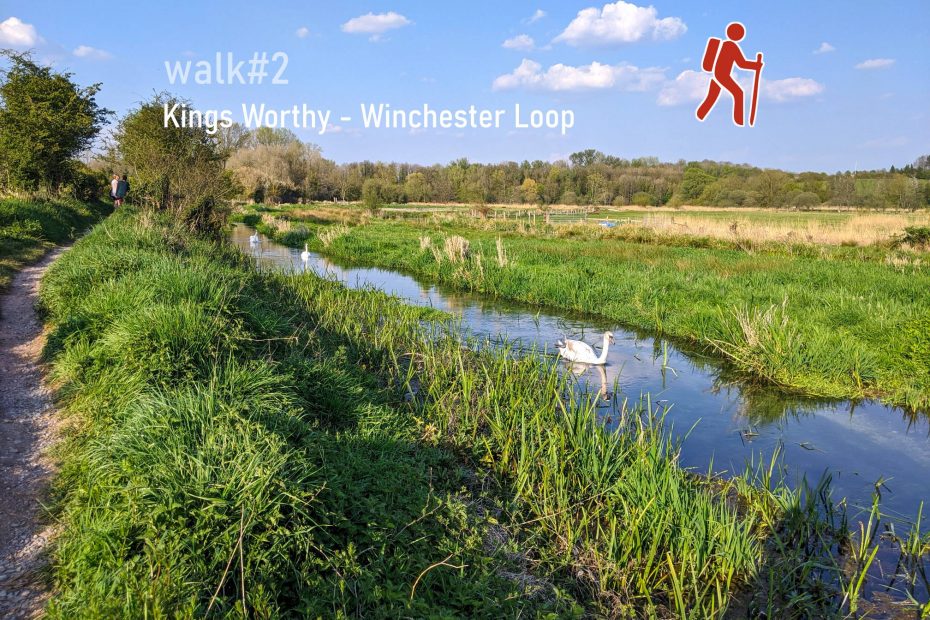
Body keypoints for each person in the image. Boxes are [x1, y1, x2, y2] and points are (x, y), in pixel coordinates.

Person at [696, 22, 763, 126]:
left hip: (717, 74)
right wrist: (756, 66)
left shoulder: (725, 45)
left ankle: (700, 115)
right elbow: (741, 64)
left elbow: (741, 64)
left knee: (712, 97)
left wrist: (755, 66)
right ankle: (739, 121)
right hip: (722, 75)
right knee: (738, 94)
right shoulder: (731, 46)